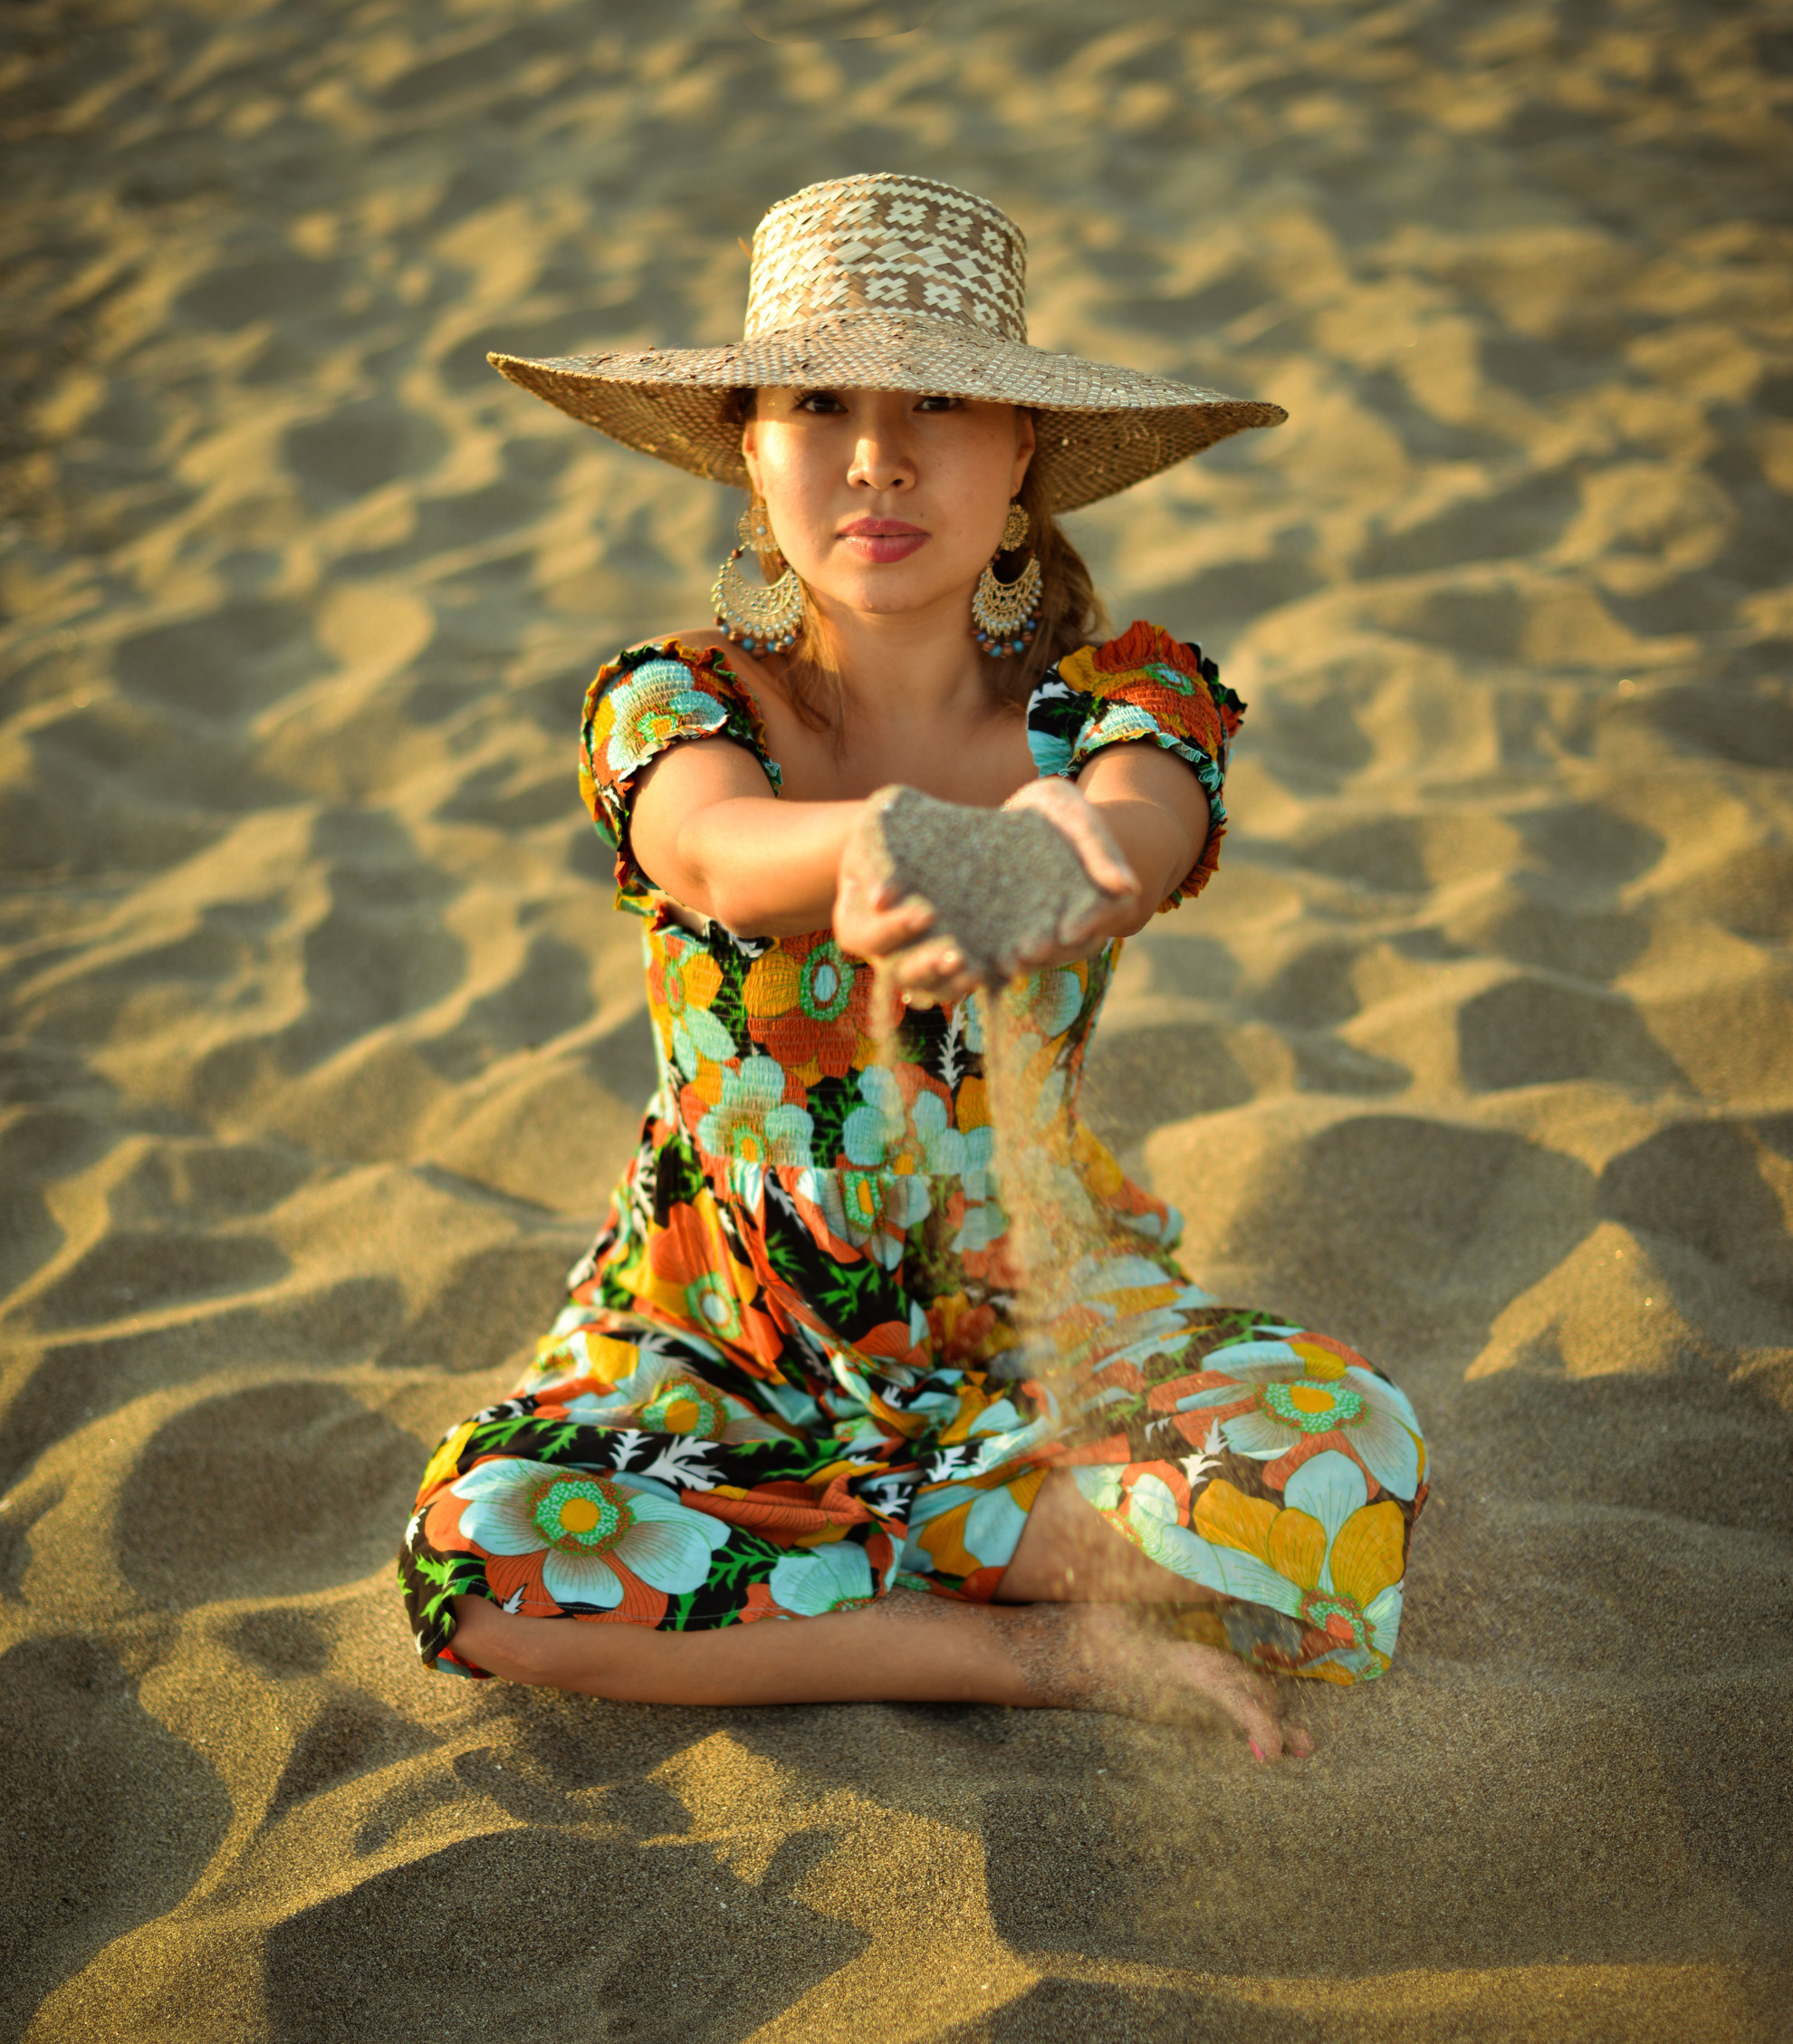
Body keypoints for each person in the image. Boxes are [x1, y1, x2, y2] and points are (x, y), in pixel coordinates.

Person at [399, 174, 1428, 1761]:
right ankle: (1018, 1642)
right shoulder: (677, 701)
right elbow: (713, 853)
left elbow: (1139, 837)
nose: (877, 454)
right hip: (719, 1332)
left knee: (1342, 1453)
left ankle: (823, 1564)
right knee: (481, 1550)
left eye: (938, 402)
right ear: (751, 447)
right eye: (819, 403)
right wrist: (883, 844)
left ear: (1021, 455)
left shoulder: (1124, 700)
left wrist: (1055, 861)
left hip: (1029, 1317)